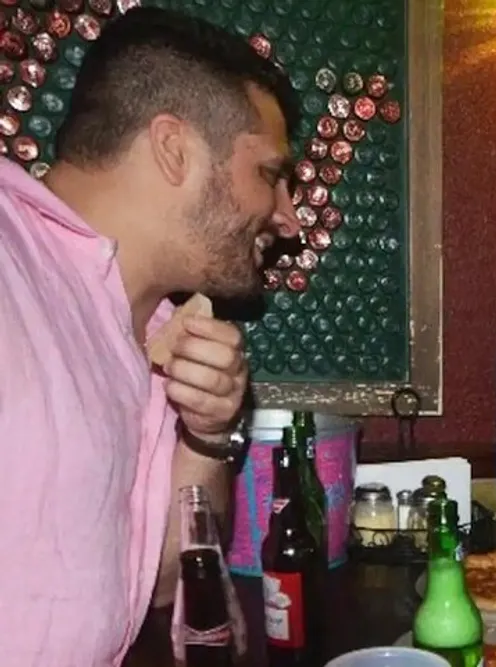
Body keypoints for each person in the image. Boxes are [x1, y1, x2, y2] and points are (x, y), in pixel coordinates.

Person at [0, 7, 301, 665]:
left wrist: (207, 432)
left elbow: (166, 584)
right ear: (174, 149)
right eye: (270, 174)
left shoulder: (163, 329)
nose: (288, 217)